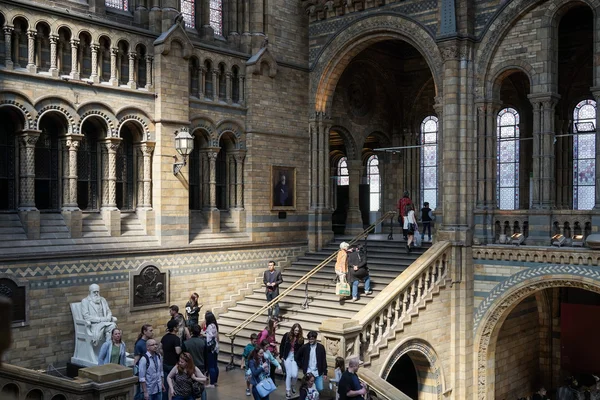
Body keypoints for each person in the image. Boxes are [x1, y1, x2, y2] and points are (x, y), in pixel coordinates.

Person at [280, 323, 304, 399]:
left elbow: (301, 350)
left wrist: (300, 360)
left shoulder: (301, 339)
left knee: (295, 374)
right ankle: (288, 391)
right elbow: (282, 345)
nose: (296, 332)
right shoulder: (287, 335)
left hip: (295, 357)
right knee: (289, 374)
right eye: (295, 330)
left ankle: (293, 385)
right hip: (287, 355)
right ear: (293, 329)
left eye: (298, 330)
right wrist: (281, 356)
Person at [161, 319, 182, 400]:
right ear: (174, 328)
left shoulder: (164, 337)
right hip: (174, 364)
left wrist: (166, 353)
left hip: (165, 363)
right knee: (176, 384)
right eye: (177, 326)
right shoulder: (176, 338)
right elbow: (177, 351)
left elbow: (160, 348)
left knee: (166, 383)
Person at [203, 311, 220, 387]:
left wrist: (203, 334)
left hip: (211, 348)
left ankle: (212, 383)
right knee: (215, 365)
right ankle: (215, 381)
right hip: (216, 347)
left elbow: (209, 338)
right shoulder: (215, 325)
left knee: (211, 366)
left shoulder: (210, 326)